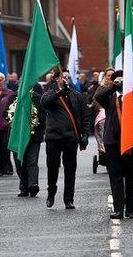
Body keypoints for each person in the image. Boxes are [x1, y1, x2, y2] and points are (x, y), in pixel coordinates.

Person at [94, 71, 133, 219]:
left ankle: (130, 209)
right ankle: (118, 209)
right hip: (113, 143)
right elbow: (98, 97)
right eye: (117, 80)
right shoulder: (109, 98)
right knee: (116, 176)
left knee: (132, 177)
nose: (121, 82)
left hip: (132, 143)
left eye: (123, 80)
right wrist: (114, 87)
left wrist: (132, 111)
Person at [40, 68, 93, 209]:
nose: (66, 79)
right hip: (54, 137)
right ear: (57, 79)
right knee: (53, 167)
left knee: (70, 169)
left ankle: (69, 199)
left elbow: (85, 117)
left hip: (70, 137)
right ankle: (51, 193)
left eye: (68, 77)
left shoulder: (77, 95)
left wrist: (85, 134)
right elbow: (45, 104)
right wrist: (59, 93)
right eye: (64, 77)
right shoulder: (50, 94)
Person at [14, 82, 45, 197]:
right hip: (17, 137)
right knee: (19, 162)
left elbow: (44, 115)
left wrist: (33, 120)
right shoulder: (13, 97)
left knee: (32, 162)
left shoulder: (38, 98)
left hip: (33, 136)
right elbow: (5, 114)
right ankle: (24, 187)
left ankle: (33, 185)